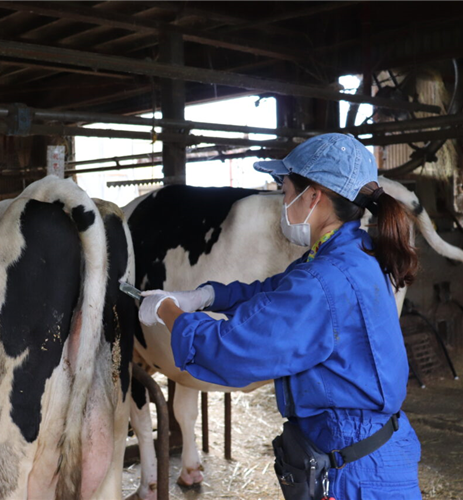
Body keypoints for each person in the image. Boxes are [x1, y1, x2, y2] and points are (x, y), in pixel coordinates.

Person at [138, 133, 422, 499]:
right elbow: (276, 291)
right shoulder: (353, 251)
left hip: (353, 472)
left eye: (285, 191)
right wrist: (206, 295)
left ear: (314, 195)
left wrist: (168, 310)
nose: (282, 201)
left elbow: (228, 350)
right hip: (365, 450)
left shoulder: (325, 280)